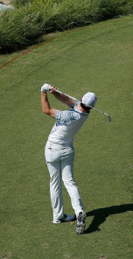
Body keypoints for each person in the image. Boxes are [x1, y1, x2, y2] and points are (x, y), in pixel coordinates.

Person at [40, 84, 97, 235]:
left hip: (53, 149)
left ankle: (58, 216)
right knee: (69, 182)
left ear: (81, 99)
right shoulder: (84, 112)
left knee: (55, 182)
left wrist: (43, 91)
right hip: (68, 150)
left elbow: (46, 110)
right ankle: (79, 211)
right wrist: (54, 92)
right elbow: (67, 100)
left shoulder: (70, 115)